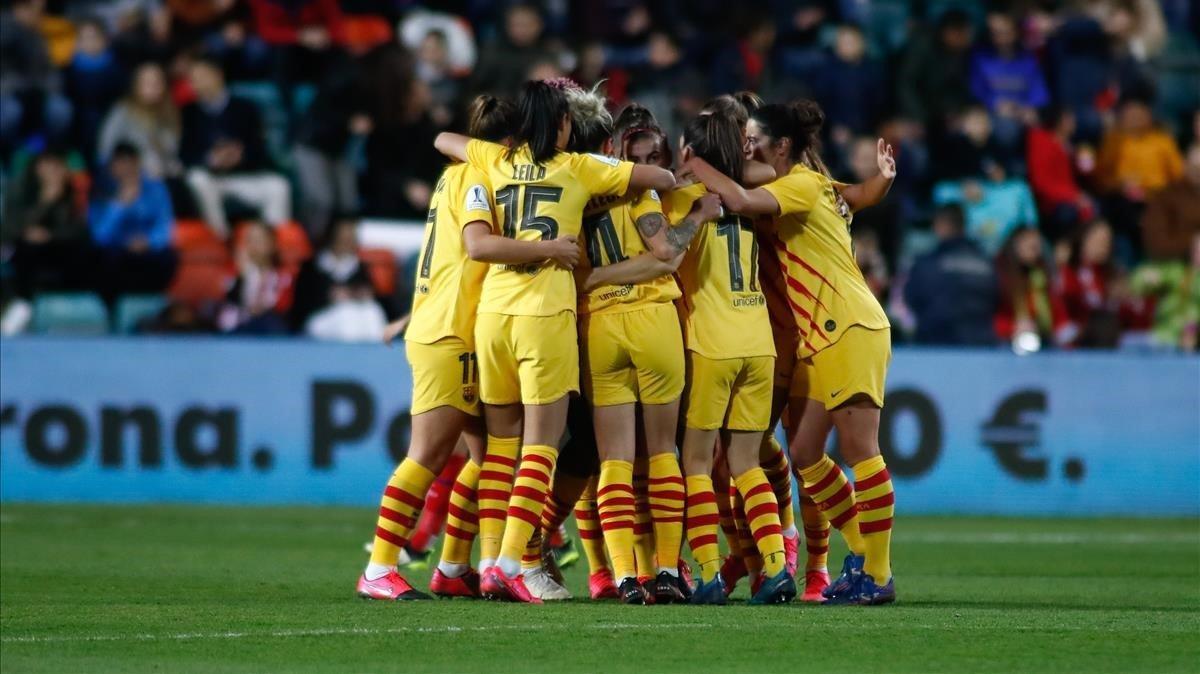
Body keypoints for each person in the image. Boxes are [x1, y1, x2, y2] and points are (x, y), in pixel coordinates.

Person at [431, 79, 675, 603]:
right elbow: (662, 176)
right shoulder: (578, 167)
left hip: (494, 314)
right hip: (546, 314)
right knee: (541, 446)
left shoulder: (493, 162)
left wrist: (503, 151)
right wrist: (616, 183)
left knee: (500, 448)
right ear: (564, 125)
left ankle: (492, 556)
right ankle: (514, 563)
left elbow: (443, 140)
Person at [683, 99, 898, 606]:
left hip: (848, 324)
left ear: (781, 146)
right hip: (823, 334)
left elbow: (736, 196)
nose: (747, 143)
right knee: (803, 453)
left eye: (754, 136)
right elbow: (860, 194)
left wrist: (693, 162)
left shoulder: (799, 184)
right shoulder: (815, 184)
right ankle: (862, 552)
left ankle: (878, 573)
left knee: (862, 450)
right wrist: (883, 181)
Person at [567, 89, 719, 604]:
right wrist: (697, 218)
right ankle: (669, 572)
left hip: (600, 327)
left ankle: (624, 575)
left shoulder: (577, 193)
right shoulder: (645, 193)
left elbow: (576, 269)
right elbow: (666, 252)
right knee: (662, 452)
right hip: (656, 322)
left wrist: (596, 279)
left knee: (611, 460)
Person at [666, 112, 796, 606]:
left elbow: (666, 251)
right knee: (747, 463)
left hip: (711, 344)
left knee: (696, 464)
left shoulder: (681, 199)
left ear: (690, 153)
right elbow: (764, 172)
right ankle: (777, 567)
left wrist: (687, 169)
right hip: (757, 342)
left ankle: (707, 576)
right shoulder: (750, 200)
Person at [180, 55, 292, 237]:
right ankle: (221, 238)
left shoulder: (245, 108)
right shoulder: (188, 112)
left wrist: (241, 155)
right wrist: (211, 159)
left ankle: (273, 245)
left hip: (243, 176)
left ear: (218, 75)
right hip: (211, 178)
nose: (196, 84)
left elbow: (259, 149)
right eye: (193, 80)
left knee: (278, 186)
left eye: (201, 77)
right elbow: (185, 155)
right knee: (196, 179)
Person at [0, 148, 91, 333]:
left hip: (60, 251)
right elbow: (9, 229)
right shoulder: (20, 188)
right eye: (48, 165)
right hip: (24, 252)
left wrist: (50, 235)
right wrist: (45, 201)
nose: (53, 172)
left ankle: (75, 314)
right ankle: (21, 305)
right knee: (24, 249)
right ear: (37, 167)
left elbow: (81, 231)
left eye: (58, 166)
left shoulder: (73, 193)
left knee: (87, 254)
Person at [89, 142, 178, 307]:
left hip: (148, 252)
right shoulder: (101, 190)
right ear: (112, 166)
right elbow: (99, 235)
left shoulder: (156, 189)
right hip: (117, 253)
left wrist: (148, 242)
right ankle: (112, 311)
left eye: (130, 163)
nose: (126, 169)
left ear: (138, 164)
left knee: (169, 256)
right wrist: (119, 205)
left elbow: (165, 227)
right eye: (120, 163)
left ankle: (153, 307)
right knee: (101, 259)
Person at [903, 203, 998, 346]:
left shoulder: (927, 264)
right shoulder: (986, 263)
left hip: (935, 348)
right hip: (981, 348)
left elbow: (911, 297)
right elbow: (997, 299)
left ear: (941, 225)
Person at [291, 217, 386, 342]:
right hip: (320, 317)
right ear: (332, 238)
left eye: (351, 238)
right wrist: (329, 297)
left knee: (372, 311)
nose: (347, 243)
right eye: (343, 238)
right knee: (346, 315)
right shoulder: (312, 267)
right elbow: (301, 302)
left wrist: (362, 294)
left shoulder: (360, 267)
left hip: (356, 313)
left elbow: (375, 295)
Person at [1059, 219, 1149, 349]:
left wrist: (1126, 301)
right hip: (1077, 339)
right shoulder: (1069, 273)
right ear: (1083, 240)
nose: (1103, 246)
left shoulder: (1115, 274)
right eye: (1098, 241)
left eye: (1107, 241)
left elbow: (1136, 317)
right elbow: (1071, 307)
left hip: (1112, 340)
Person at [968, 11, 1049, 150]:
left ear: (1015, 33)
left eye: (1004, 32)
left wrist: (1028, 109)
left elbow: (1038, 93)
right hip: (992, 117)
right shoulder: (980, 59)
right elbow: (976, 92)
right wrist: (995, 105)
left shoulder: (1027, 60)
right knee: (1006, 129)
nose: (999, 38)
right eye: (995, 33)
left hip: (1022, 115)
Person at [993, 226, 1075, 351]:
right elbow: (989, 317)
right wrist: (1012, 327)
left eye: (1037, 245)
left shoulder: (1042, 274)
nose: (1034, 248)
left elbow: (1056, 309)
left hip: (1043, 338)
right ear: (1015, 245)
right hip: (1007, 340)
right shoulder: (999, 275)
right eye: (1028, 244)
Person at [97, 62, 181, 181]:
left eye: (157, 83)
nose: (153, 87)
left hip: (162, 172)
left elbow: (172, 149)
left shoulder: (170, 112)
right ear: (137, 85)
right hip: (128, 174)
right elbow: (105, 149)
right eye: (147, 83)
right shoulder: (122, 111)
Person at [1026, 106, 1095, 242]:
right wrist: (1074, 197)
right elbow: (1040, 181)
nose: (1073, 121)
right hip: (1051, 203)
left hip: (1072, 197)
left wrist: (1084, 158)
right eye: (1068, 118)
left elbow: (1086, 173)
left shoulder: (1072, 144)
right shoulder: (1041, 140)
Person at [63, 18, 126, 164]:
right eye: (83, 38)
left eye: (93, 37)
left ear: (105, 40)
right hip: (77, 125)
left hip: (108, 122)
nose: (88, 43)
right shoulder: (67, 70)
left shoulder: (117, 70)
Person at [217, 220, 293, 334]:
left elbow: (284, 306)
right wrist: (242, 276)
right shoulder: (234, 272)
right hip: (237, 325)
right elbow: (230, 301)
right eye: (249, 240)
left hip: (267, 324)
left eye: (259, 240)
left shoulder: (283, 275)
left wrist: (261, 308)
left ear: (272, 243)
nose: (254, 245)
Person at [1141, 143, 1200, 261]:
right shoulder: (1166, 196)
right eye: (1196, 168)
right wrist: (1192, 242)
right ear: (1185, 165)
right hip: (1177, 264)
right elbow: (1156, 241)